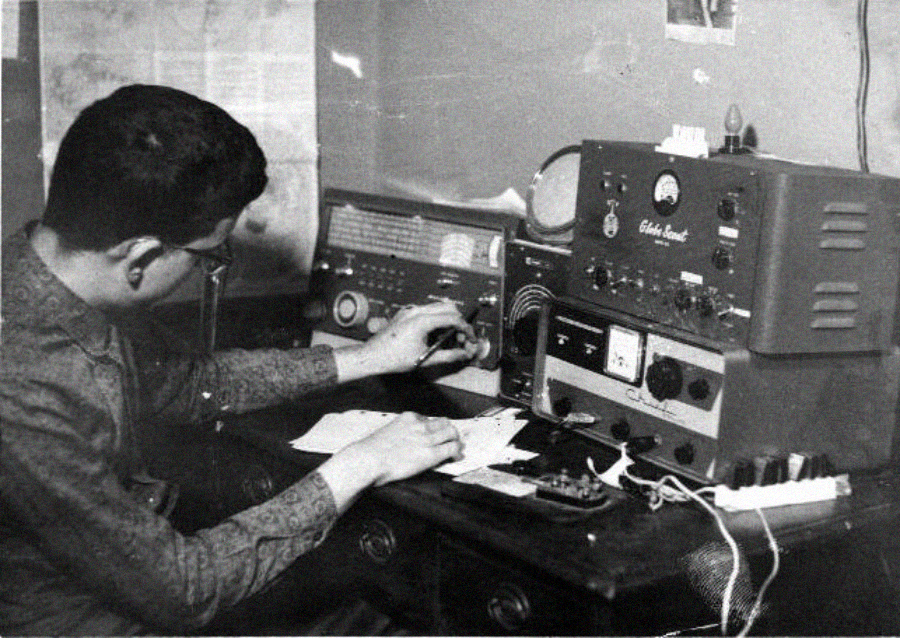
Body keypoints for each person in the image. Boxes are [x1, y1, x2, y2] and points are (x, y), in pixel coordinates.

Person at [0, 84, 480, 636]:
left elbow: (189, 385)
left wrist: (370, 357)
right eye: (211, 255)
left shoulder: (46, 278)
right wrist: (360, 464)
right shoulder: (21, 385)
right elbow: (185, 588)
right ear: (142, 257)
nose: (214, 266)